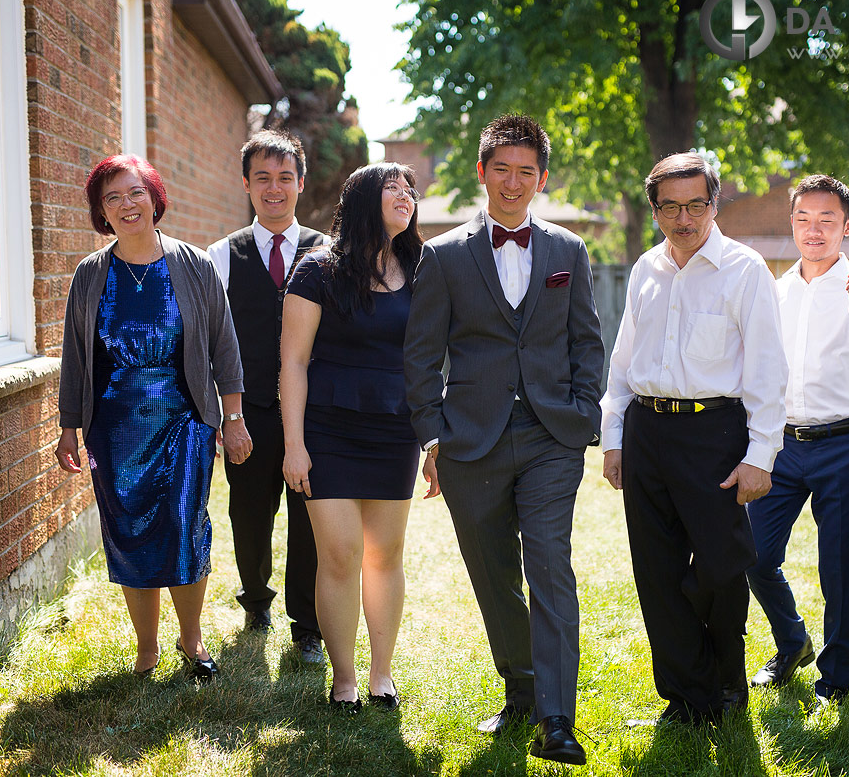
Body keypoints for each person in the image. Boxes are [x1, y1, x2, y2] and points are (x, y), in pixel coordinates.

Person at [404, 114, 603, 765]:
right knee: (494, 577)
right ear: (482, 171)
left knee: (549, 567)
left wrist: (579, 412)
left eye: (526, 171)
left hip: (551, 436)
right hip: (471, 443)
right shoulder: (444, 254)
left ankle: (556, 718)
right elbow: (422, 353)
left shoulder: (568, 251)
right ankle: (519, 689)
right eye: (502, 169)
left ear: (540, 178)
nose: (513, 182)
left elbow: (586, 342)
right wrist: (433, 438)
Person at [601, 153, 786, 725]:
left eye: (696, 204)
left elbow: (768, 371)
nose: (685, 219)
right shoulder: (644, 270)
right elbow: (624, 359)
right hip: (648, 431)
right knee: (656, 573)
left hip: (715, 434)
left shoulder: (745, 268)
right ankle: (688, 695)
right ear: (655, 209)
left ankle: (727, 675)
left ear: (714, 202)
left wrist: (761, 455)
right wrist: (614, 438)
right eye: (671, 207)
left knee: (722, 566)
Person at [56, 154, 252, 681]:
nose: (126, 205)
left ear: (154, 197)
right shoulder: (91, 274)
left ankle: (192, 641)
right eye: (112, 198)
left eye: (134, 192)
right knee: (129, 531)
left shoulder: (194, 265)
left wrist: (232, 417)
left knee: (186, 525)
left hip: (185, 418)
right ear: (102, 212)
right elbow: (75, 355)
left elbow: (224, 348)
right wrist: (68, 427)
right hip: (114, 427)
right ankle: (147, 649)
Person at [281, 162, 435, 714]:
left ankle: (381, 674)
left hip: (395, 430)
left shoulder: (422, 267)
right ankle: (343, 679)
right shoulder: (317, 271)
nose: (405, 195)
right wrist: (294, 444)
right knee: (341, 555)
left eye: (409, 189)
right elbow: (293, 362)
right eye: (392, 186)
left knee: (384, 554)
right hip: (329, 429)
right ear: (364, 198)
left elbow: (432, 359)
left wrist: (433, 441)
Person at [744, 175, 849, 706]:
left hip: (842, 445)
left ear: (847, 226)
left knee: (838, 567)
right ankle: (793, 642)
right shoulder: (773, 290)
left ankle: (834, 677)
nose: (814, 230)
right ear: (792, 224)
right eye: (804, 219)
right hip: (780, 446)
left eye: (826, 219)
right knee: (754, 555)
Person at [206, 131, 328, 663]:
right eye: (262, 178)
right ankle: (256, 600)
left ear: (300, 183)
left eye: (284, 178)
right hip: (249, 412)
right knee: (249, 515)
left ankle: (308, 628)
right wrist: (226, 415)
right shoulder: (220, 255)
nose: (274, 189)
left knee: (311, 520)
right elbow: (212, 340)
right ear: (246, 184)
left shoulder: (328, 251)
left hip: (316, 415)